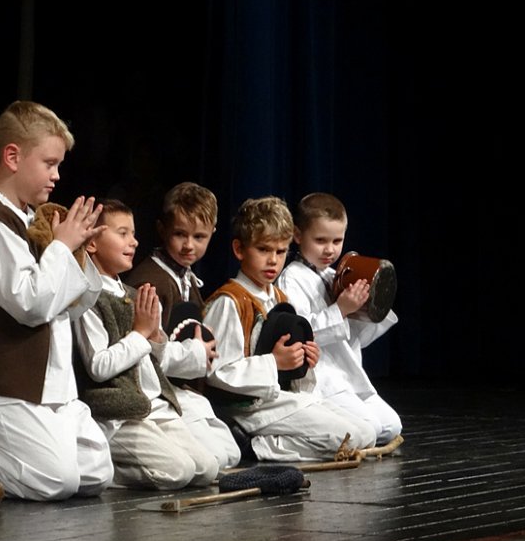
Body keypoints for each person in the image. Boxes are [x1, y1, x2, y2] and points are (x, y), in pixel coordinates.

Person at [0, 100, 115, 501]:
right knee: (56, 481)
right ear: (12, 157)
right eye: (49, 163)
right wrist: (61, 247)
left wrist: (77, 253)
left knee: (95, 474)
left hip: (50, 385)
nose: (57, 176)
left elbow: (75, 304)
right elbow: (30, 304)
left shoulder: (31, 220)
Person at [202, 196, 377, 462]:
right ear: (239, 249)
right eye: (263, 250)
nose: (273, 260)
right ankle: (254, 446)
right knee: (350, 437)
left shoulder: (278, 298)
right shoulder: (230, 301)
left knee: (367, 432)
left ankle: (264, 442)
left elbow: (291, 372)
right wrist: (274, 363)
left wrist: (304, 361)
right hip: (247, 407)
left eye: (281, 251)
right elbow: (218, 373)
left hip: (279, 398)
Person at [72, 199, 219, 490]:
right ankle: (102, 471)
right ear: (92, 243)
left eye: (133, 233)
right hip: (120, 414)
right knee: (178, 472)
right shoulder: (89, 298)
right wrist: (140, 334)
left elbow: (152, 356)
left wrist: (155, 338)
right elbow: (99, 367)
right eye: (122, 233)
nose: (134, 241)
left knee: (207, 468)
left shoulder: (131, 293)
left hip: (153, 406)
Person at [123, 182, 241, 471]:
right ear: (162, 230)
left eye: (199, 236)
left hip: (186, 391)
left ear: (212, 232)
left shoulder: (185, 278)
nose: (189, 245)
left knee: (231, 455)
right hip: (160, 392)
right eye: (180, 234)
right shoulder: (150, 282)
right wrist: (196, 354)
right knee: (215, 460)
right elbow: (144, 353)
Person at [276, 192, 403, 445]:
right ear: (298, 235)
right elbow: (301, 333)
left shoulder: (335, 275)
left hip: (346, 374)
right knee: (371, 428)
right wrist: (340, 310)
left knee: (391, 426)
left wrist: (369, 306)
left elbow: (356, 338)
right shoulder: (292, 279)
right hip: (321, 380)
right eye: (320, 240)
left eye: (337, 240)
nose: (330, 249)